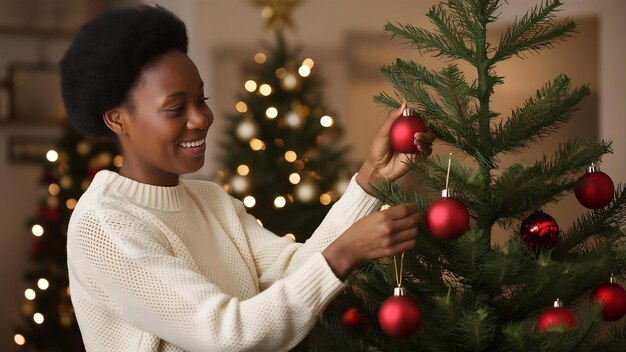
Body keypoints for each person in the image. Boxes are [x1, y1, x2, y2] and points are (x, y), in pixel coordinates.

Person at [60, 5, 434, 352]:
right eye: (176, 108)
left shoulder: (209, 200)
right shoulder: (105, 226)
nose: (201, 119)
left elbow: (296, 270)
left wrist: (371, 178)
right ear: (116, 119)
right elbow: (225, 333)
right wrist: (346, 252)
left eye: (201, 100)